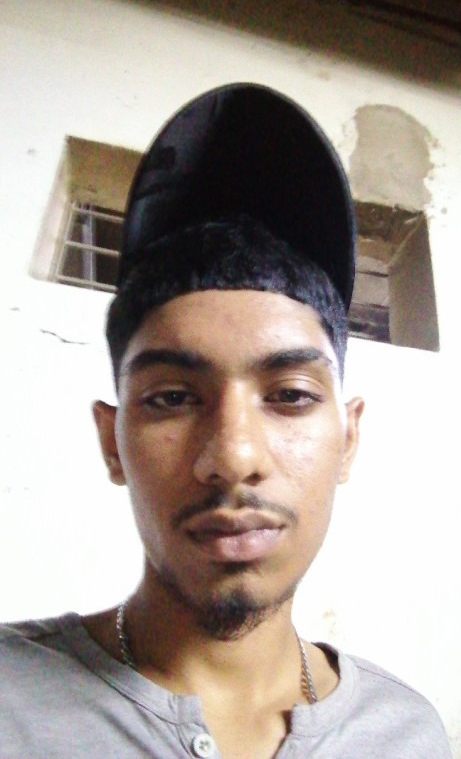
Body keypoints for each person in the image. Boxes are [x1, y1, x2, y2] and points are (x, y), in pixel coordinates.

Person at [0, 84, 452, 758]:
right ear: (111, 442)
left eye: (289, 394)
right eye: (172, 398)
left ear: (348, 438)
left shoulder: (407, 736)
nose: (234, 457)